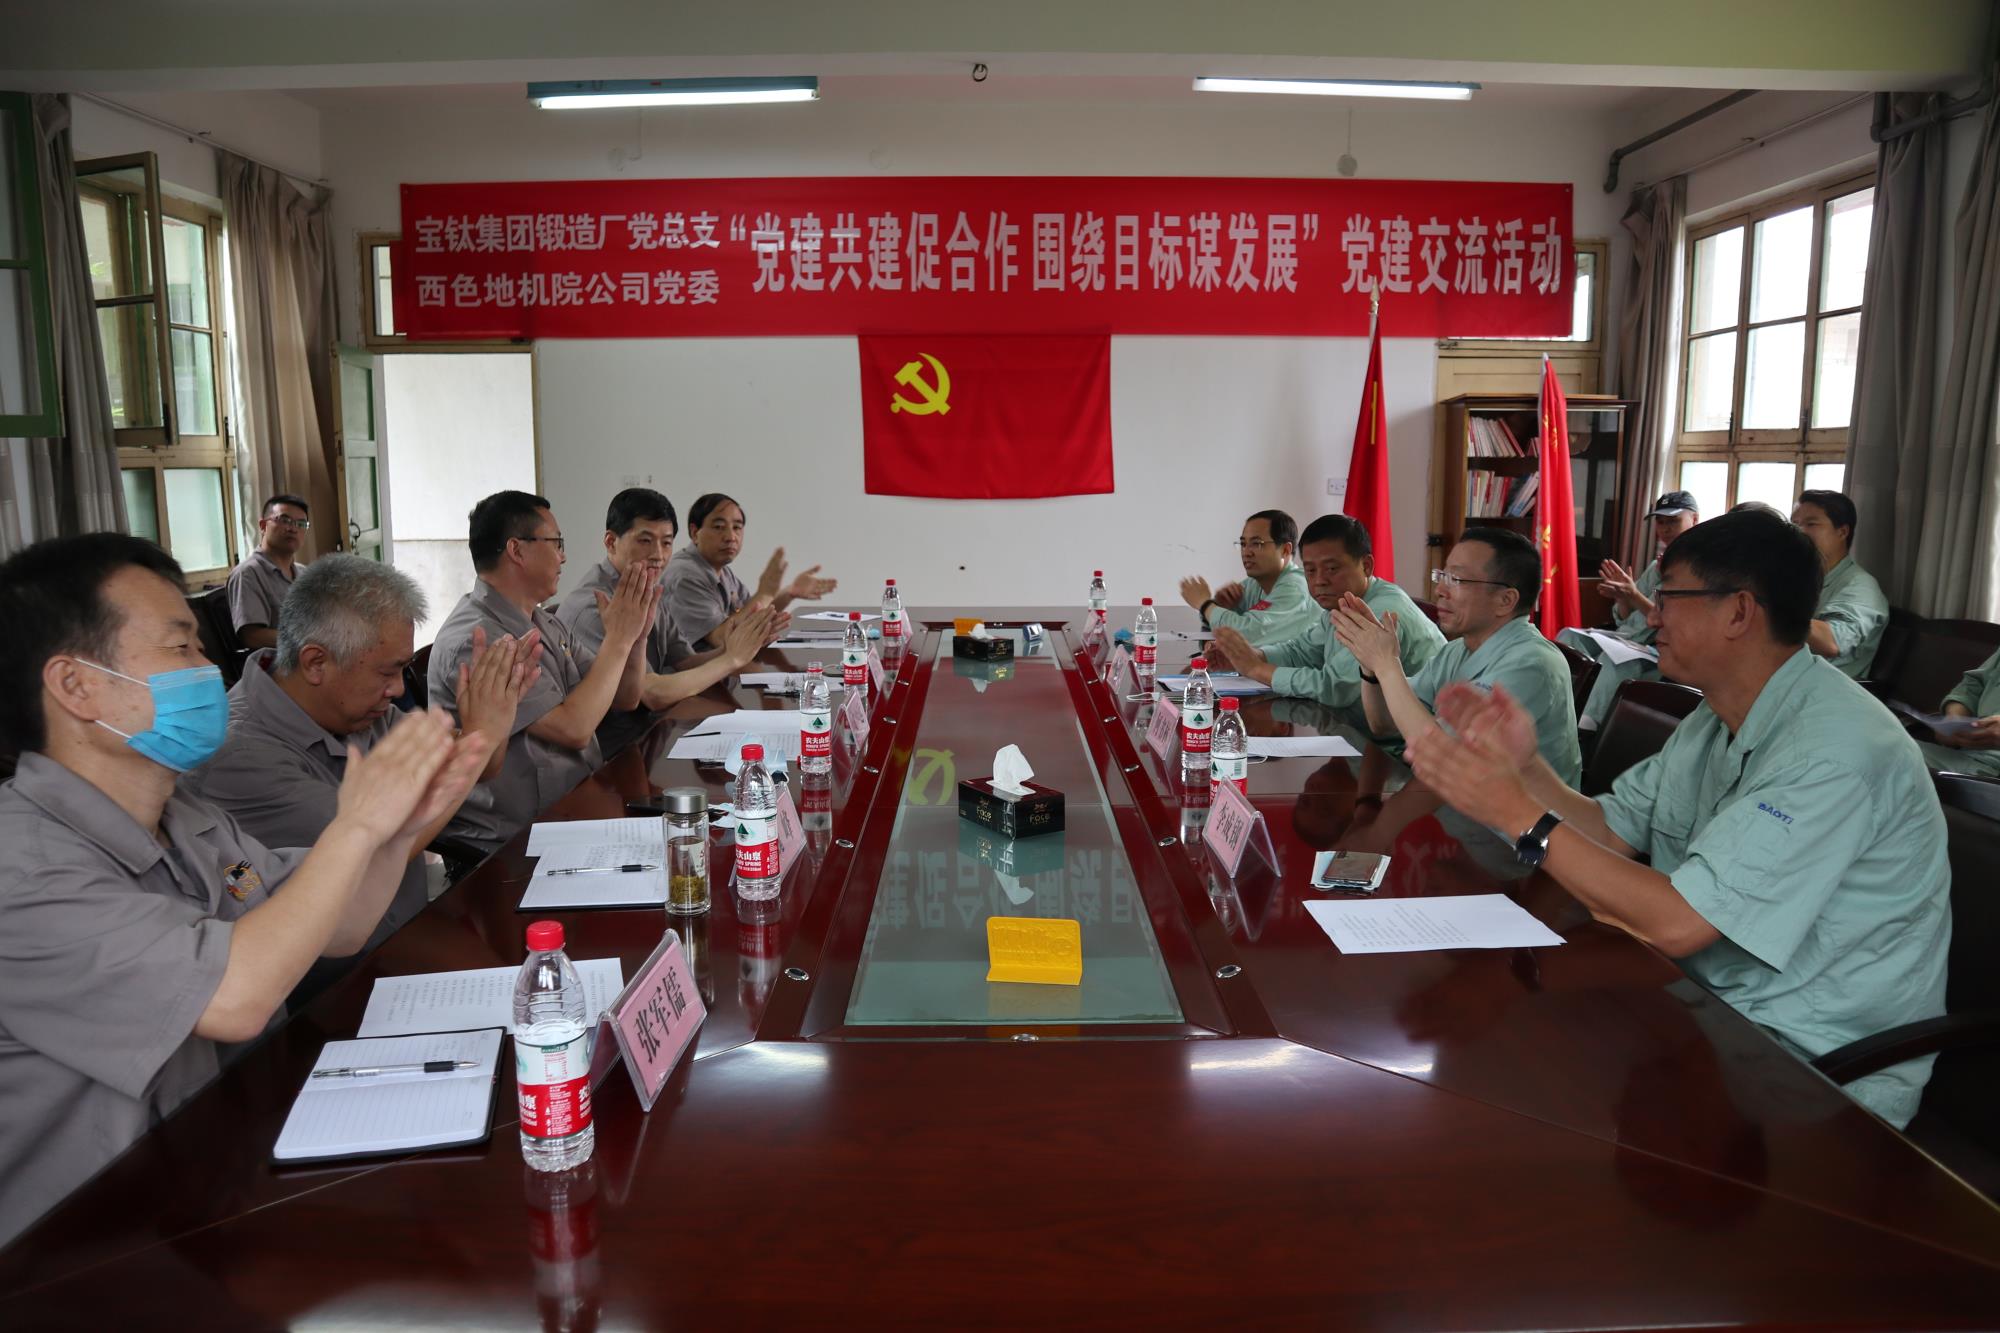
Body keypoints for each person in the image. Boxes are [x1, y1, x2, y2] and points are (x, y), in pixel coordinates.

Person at [0, 533, 488, 1246]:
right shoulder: (22, 871)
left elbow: (340, 923)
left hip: (229, 1173)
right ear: (75, 686)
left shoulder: (186, 816)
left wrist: (397, 828)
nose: (207, 670)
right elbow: (235, 997)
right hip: (91, 1249)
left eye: (200, 648)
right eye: (179, 648)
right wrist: (358, 825)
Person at [1405, 508, 1948, 1128]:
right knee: (1503, 1071)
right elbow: (1609, 831)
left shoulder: (1834, 751)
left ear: (1739, 612)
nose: (1652, 616)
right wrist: (1527, 768)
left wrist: (1518, 813)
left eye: (1669, 599)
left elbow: (1679, 924)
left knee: (1521, 1098)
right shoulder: (1717, 714)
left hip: (1808, 1066)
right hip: (1696, 1005)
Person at [188, 556, 540, 975]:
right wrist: (480, 737)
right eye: (387, 672)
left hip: (404, 934)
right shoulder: (241, 756)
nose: (397, 689)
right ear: (316, 663)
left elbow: (477, 769)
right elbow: (375, 847)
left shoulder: (360, 710)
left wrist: (492, 722)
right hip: (333, 978)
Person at [429, 490, 659, 853]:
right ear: (517, 550)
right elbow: (574, 729)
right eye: (556, 543)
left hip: (575, 803)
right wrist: (617, 639)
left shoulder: (541, 620)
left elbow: (626, 697)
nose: (563, 556)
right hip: (515, 840)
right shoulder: (478, 640)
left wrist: (636, 638)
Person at [1331, 526, 1582, 783]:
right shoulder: (1457, 650)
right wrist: (1370, 666)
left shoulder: (1532, 665)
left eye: (1456, 580)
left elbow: (1443, 759)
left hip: (1506, 809)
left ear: (1505, 600)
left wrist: (1387, 664)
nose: (1440, 590)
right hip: (1449, 798)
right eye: (1442, 576)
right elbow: (1385, 724)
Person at [554, 487, 783, 753]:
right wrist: (730, 660)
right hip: (611, 751)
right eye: (645, 540)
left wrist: (737, 646)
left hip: (652, 732)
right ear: (611, 542)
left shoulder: (647, 587)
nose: (658, 555)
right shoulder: (597, 606)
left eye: (666, 543)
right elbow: (651, 693)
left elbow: (685, 661)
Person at [1207, 514, 1443, 715]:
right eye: (1310, 570)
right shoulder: (1343, 603)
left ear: (1366, 566)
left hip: (1408, 745)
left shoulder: (1379, 612)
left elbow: (1334, 687)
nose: (1319, 580)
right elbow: (1301, 651)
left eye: (1332, 568)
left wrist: (1256, 669)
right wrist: (1252, 655)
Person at [1558, 491, 1701, 728]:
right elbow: (1625, 620)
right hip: (1628, 639)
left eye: (1673, 521)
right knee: (1569, 636)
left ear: (1694, 519)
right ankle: (1559, 706)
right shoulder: (1656, 566)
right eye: (1660, 522)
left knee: (1614, 658)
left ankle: (1585, 727)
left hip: (1659, 648)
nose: (1665, 529)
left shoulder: (1697, 569)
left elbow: (1670, 621)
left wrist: (1633, 594)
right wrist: (1623, 598)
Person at [661, 492, 836, 650]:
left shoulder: (721, 570)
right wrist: (765, 593)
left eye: (737, 528)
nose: (731, 537)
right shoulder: (685, 575)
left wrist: (789, 592)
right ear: (694, 533)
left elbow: (752, 613)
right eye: (719, 527)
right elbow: (722, 639)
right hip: (690, 674)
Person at [1177, 509, 1320, 648]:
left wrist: (1205, 605)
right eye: (1243, 544)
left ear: (1285, 550)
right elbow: (1226, 626)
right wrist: (1220, 605)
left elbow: (1248, 635)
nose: (1246, 552)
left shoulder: (1295, 588)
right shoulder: (1255, 583)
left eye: (1256, 544)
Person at [1791, 489, 1887, 679]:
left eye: (1811, 524)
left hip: (1816, 686)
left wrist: (1769, 609)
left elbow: (1833, 641)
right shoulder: (1800, 577)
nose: (1799, 531)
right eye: (1795, 524)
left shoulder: (1860, 586)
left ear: (1842, 532)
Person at [227, 494, 311, 652]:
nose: (293, 529)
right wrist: (308, 641)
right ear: (263, 525)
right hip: (277, 662)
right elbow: (252, 636)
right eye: (284, 520)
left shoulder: (304, 573)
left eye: (301, 524)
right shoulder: (248, 574)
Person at [1918, 645, 2000, 776]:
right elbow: (1974, 683)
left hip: (1991, 769)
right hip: (1960, 755)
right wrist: (1954, 719)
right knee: (1886, 743)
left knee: (1892, 755)